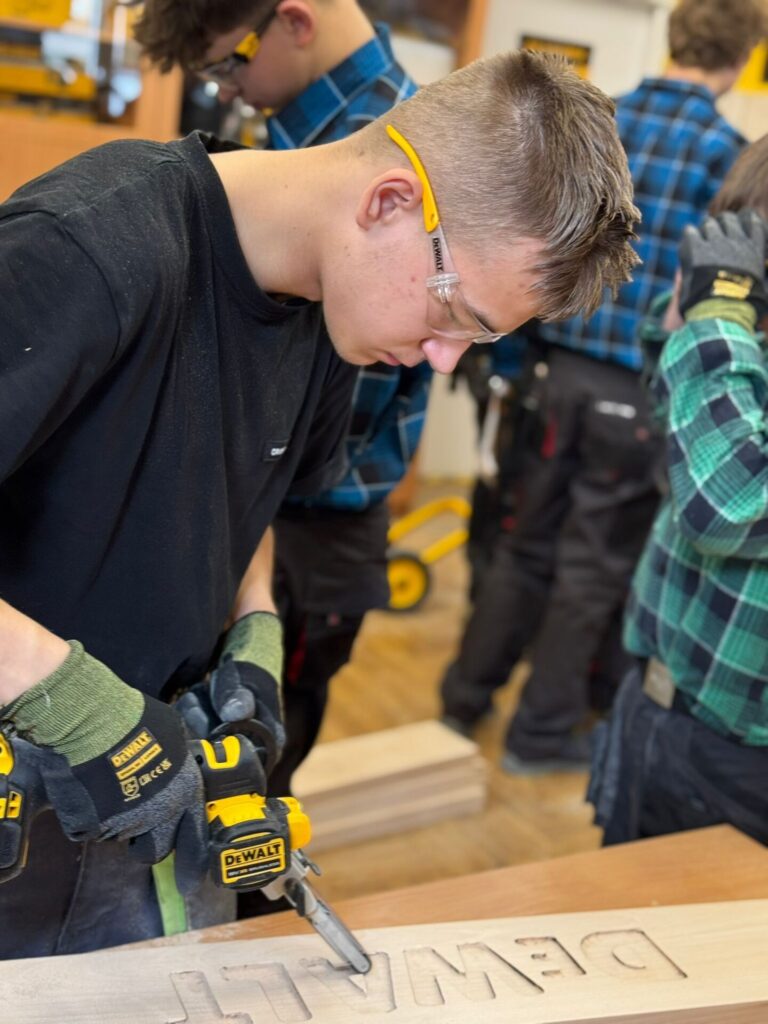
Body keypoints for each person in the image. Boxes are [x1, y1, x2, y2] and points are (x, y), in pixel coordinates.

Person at [0, 49, 639, 956]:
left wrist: (253, 621)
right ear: (388, 203)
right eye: (456, 314)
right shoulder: (84, 249)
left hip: (138, 786)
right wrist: (70, 700)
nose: (445, 358)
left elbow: (247, 491)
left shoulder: (328, 306)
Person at [439, 0, 764, 772]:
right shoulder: (730, 156)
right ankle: (540, 738)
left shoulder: (598, 123)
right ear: (741, 56)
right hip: (640, 392)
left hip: (554, 376)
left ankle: (462, 701)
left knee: (523, 545)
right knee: (591, 572)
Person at [134, 0, 427, 801]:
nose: (226, 90)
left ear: (295, 20)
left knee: (247, 770)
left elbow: (329, 390)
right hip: (255, 509)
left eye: (229, 63)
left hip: (305, 522)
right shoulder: (303, 132)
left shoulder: (379, 150)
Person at [589, 140, 768, 844]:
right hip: (657, 702)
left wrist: (719, 318)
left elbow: (726, 502)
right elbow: (685, 438)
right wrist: (682, 324)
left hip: (739, 760)